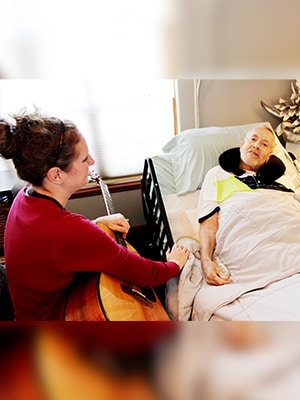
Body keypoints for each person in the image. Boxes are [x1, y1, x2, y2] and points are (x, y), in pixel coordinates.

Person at [0, 110, 189, 320]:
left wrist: (95, 224)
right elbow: (148, 275)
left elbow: (51, 244)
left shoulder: (23, 196)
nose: (91, 161)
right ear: (56, 174)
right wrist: (174, 263)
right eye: (83, 159)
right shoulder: (69, 231)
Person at [197, 126, 293, 286]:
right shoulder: (217, 174)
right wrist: (206, 261)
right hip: (248, 241)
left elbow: (291, 210)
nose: (256, 146)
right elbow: (208, 225)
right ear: (242, 144)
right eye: (253, 139)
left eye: (264, 144)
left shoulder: (283, 180)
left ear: (269, 156)